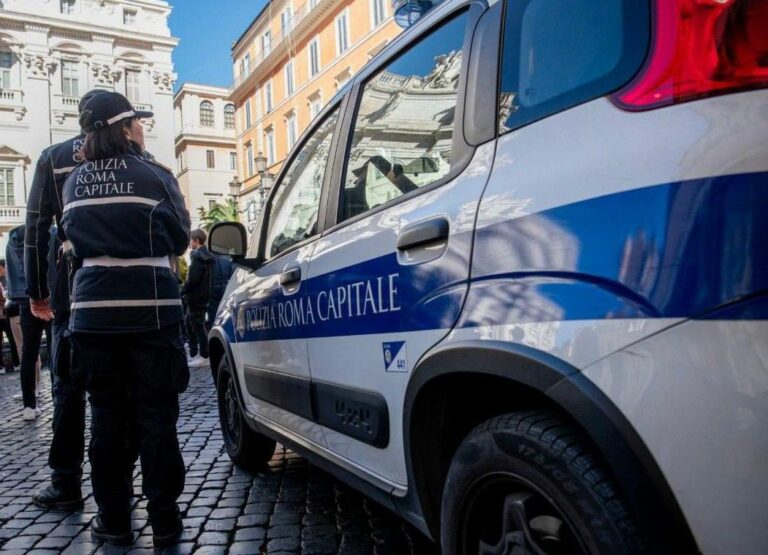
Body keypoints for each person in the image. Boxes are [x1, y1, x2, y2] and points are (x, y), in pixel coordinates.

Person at [60, 91, 190, 546]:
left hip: (91, 316)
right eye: (137, 120)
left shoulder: (73, 182)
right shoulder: (153, 174)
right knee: (157, 417)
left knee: (108, 419)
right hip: (151, 309)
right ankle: (165, 520)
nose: (142, 127)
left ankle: (113, 519)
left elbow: (70, 239)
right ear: (124, 126)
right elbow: (180, 235)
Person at [25, 89, 107, 509]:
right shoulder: (127, 152)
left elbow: (37, 228)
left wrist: (38, 292)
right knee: (114, 389)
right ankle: (117, 489)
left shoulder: (52, 157)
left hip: (70, 285)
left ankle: (66, 481)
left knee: (67, 387)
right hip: (116, 283)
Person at [181, 229, 213, 368]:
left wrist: (184, 289)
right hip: (203, 295)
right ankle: (199, 353)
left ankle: (204, 355)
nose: (189, 243)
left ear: (196, 240)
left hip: (195, 296)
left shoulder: (198, 257)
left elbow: (193, 279)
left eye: (191, 240)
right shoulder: (208, 256)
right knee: (196, 324)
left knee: (197, 326)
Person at [0, 260, 20, 375]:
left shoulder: (9, 278)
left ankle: (13, 364)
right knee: (11, 339)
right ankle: (14, 363)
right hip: (5, 313)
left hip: (6, 313)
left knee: (12, 339)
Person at [206, 252, 233, 331]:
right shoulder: (227, 260)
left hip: (213, 291)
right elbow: (230, 276)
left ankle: (214, 331)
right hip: (224, 290)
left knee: (213, 315)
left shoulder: (210, 260)